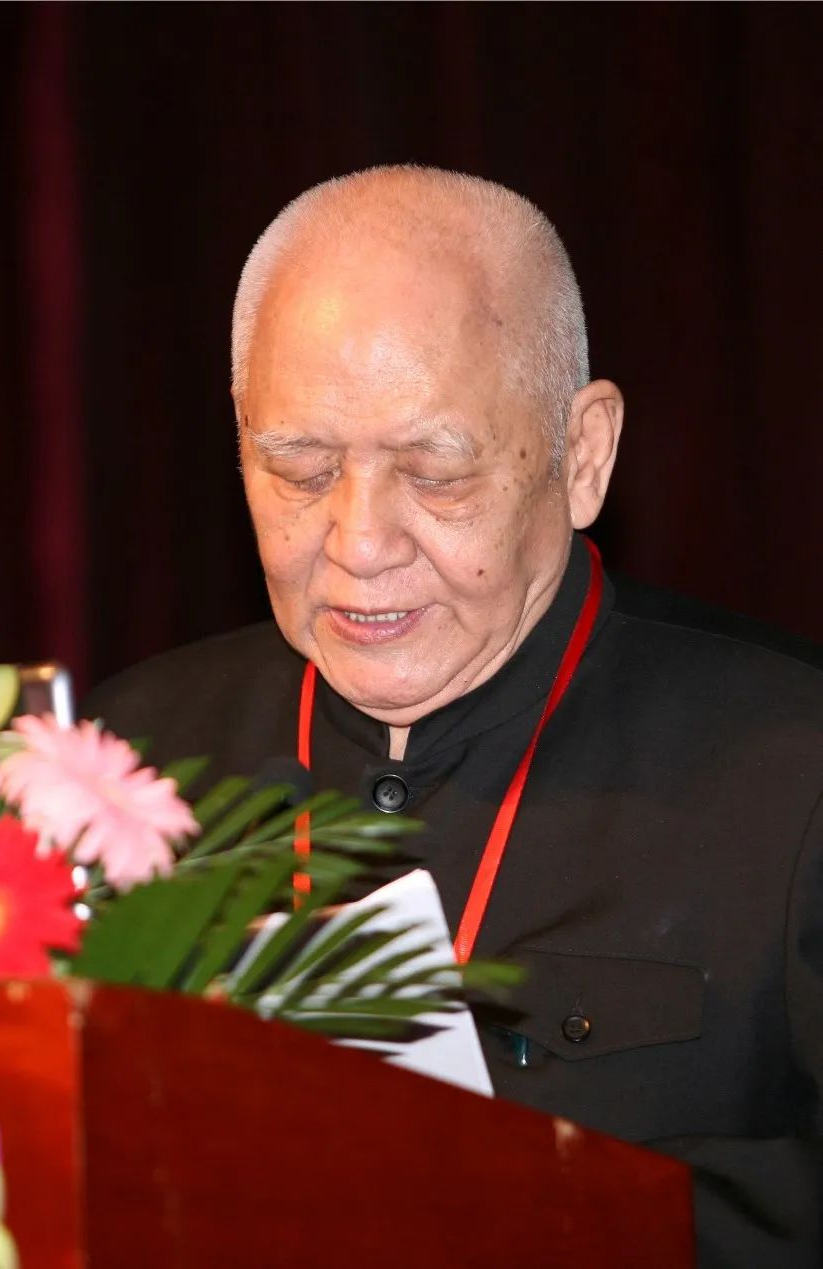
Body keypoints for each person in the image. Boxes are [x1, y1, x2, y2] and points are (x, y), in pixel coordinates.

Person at [84, 166, 822, 1265]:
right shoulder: (120, 761)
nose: (359, 542)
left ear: (583, 454)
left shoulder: (794, 776)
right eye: (299, 469)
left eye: (434, 472)